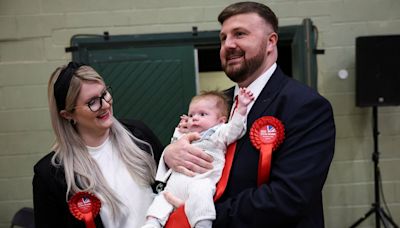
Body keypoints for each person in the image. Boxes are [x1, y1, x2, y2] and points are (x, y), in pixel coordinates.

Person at [162, 2, 336, 227]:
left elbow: (289, 197)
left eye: (240, 34)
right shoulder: (216, 104)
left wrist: (203, 215)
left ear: (270, 42)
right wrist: (169, 155)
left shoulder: (305, 105)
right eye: (223, 38)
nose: (228, 45)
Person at [32, 62, 164, 228]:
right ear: (68, 114)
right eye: (92, 102)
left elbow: (169, 187)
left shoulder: (139, 134)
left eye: (105, 94)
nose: (105, 105)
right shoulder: (51, 175)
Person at [143, 89, 254, 228]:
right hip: (175, 184)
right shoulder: (186, 134)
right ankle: (152, 223)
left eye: (202, 114)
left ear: (221, 121)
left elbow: (235, 130)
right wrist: (179, 131)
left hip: (199, 180)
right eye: (191, 115)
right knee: (161, 199)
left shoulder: (218, 133)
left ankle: (202, 224)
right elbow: (173, 146)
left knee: (202, 192)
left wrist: (241, 110)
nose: (194, 118)